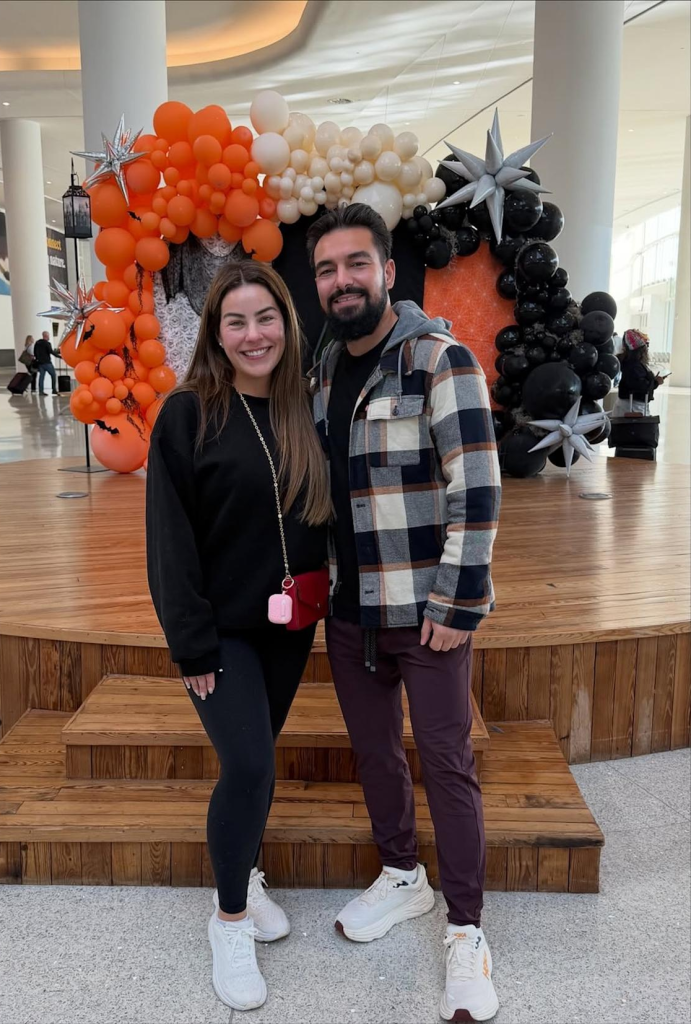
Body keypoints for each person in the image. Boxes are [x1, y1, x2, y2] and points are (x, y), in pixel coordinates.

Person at [306, 203, 501, 1023]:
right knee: (375, 754)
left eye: (356, 263)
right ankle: (401, 875)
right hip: (350, 607)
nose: (341, 280)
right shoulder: (324, 369)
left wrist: (457, 601)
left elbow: (477, 488)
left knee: (446, 763)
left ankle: (465, 928)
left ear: (387, 271)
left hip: (426, 611)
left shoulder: (437, 359)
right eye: (326, 269)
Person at [146, 261, 330, 1013]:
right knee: (249, 765)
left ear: (286, 322)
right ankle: (228, 921)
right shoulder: (188, 413)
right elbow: (169, 541)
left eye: (266, 318)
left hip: (288, 624)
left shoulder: (301, 407)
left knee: (260, 758)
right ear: (216, 335)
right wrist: (190, 643)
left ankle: (246, 875)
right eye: (236, 322)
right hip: (221, 631)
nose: (254, 335)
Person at [612, 329, 667, 416]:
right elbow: (641, 386)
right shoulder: (633, 365)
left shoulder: (631, 363)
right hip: (633, 408)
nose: (647, 348)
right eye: (646, 345)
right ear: (641, 349)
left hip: (632, 406)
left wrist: (654, 380)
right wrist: (656, 382)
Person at [33, 330, 60, 395]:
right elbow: (51, 351)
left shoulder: (37, 343)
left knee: (41, 377)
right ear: (46, 336)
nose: (49, 337)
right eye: (48, 336)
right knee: (53, 375)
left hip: (40, 363)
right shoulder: (47, 343)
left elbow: (35, 352)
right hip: (47, 363)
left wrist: (37, 358)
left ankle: (41, 391)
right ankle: (54, 389)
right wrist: (60, 356)